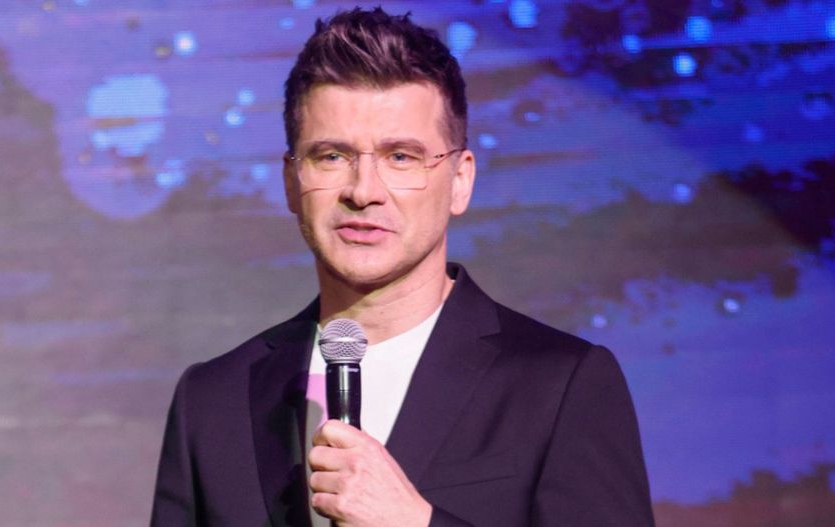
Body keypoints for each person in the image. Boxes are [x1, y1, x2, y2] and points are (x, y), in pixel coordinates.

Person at [151, 7, 654, 527]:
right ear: (291, 182)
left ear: (459, 180)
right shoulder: (213, 399)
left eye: (401, 157)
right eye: (331, 156)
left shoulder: (559, 385)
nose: (363, 191)